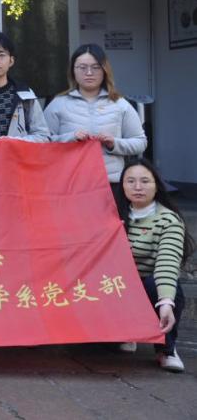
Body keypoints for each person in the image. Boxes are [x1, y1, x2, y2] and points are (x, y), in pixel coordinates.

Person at [118, 158, 193, 372]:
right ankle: (125, 332)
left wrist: (166, 302)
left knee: (163, 288)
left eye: (145, 181)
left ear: (157, 186)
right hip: (119, 286)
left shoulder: (168, 220)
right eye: (130, 181)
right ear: (122, 186)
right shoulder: (113, 216)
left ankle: (166, 349)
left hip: (151, 284)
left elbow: (166, 264)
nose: (138, 187)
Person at [44, 44, 146, 183]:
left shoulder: (120, 104)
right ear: (73, 71)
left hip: (111, 183)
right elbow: (42, 143)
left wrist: (113, 144)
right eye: (82, 67)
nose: (89, 73)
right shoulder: (58, 104)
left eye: (96, 67)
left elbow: (140, 142)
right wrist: (70, 138)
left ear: (105, 70)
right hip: (69, 184)